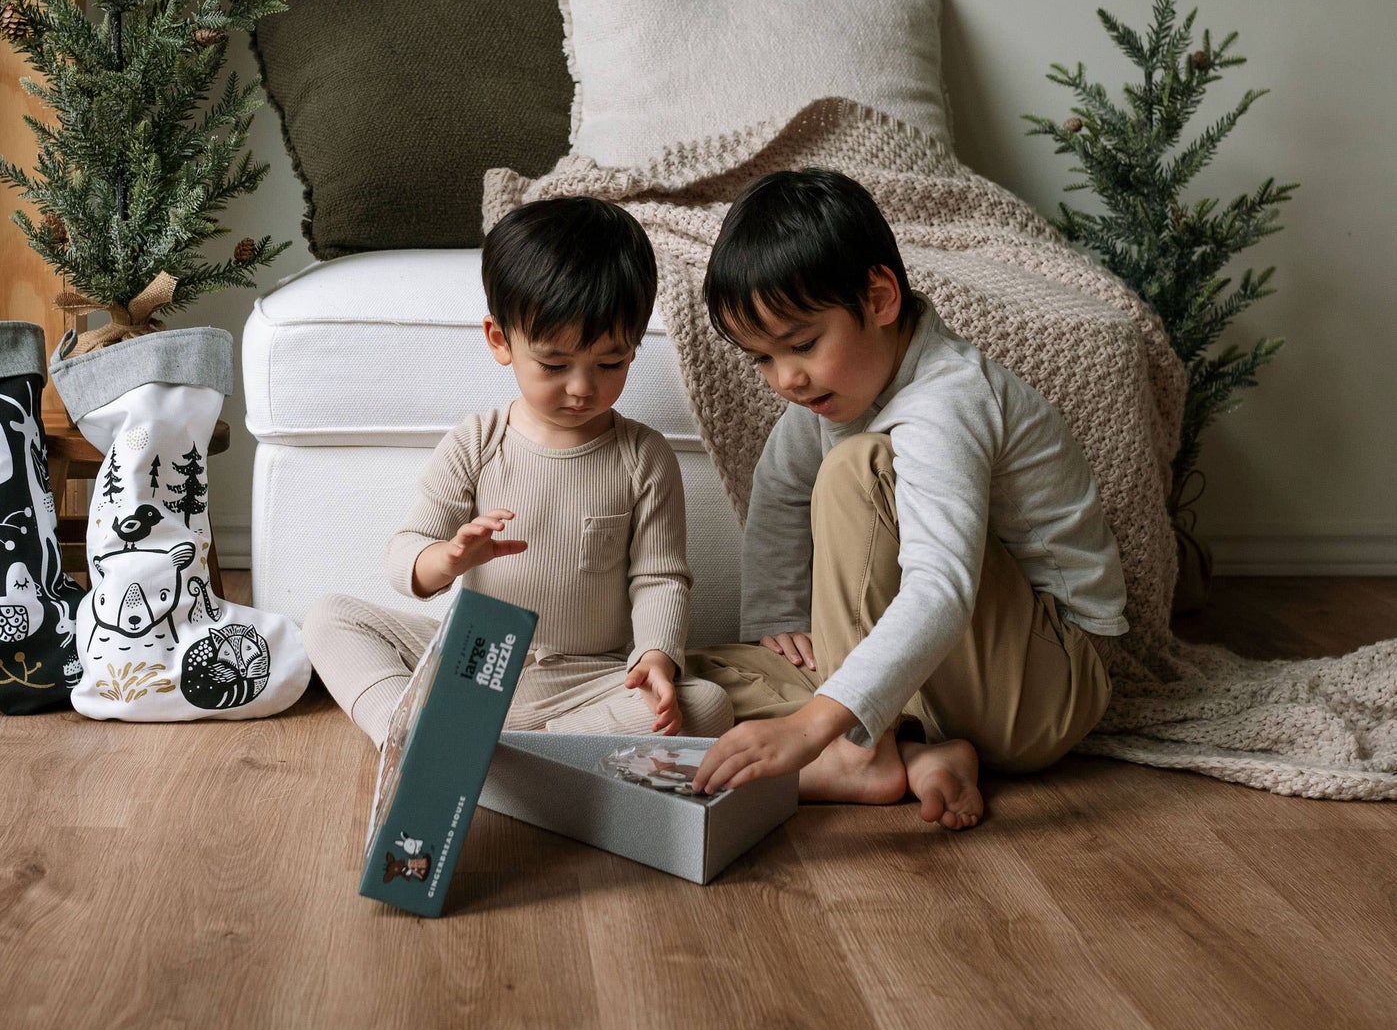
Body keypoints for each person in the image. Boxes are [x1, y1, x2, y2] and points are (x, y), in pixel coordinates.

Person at [685, 169, 1127, 828]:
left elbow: (942, 589)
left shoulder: (944, 399)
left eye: (802, 344)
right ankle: (915, 751)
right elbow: (779, 490)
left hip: (1045, 680)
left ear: (881, 297)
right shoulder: (829, 395)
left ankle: (854, 750)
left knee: (856, 468)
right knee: (694, 680)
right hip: (948, 676)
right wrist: (776, 616)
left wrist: (808, 728)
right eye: (762, 358)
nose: (786, 378)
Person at [303, 197, 732, 748]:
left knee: (707, 707)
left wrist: (656, 656)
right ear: (500, 340)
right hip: (473, 660)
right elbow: (404, 553)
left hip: (586, 679)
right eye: (554, 365)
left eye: (610, 364)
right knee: (328, 617)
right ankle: (404, 731)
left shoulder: (643, 456)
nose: (582, 388)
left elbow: (659, 577)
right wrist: (447, 558)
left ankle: (500, 752)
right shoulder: (477, 441)